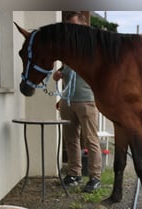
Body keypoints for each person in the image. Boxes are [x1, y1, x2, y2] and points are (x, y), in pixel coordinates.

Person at [53, 11, 102, 193]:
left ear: (84, 26)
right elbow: (63, 71)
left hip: (86, 100)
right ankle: (74, 174)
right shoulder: (67, 50)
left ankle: (95, 177)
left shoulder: (93, 49)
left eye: (74, 26)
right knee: (70, 139)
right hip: (67, 100)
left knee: (90, 139)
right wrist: (58, 74)